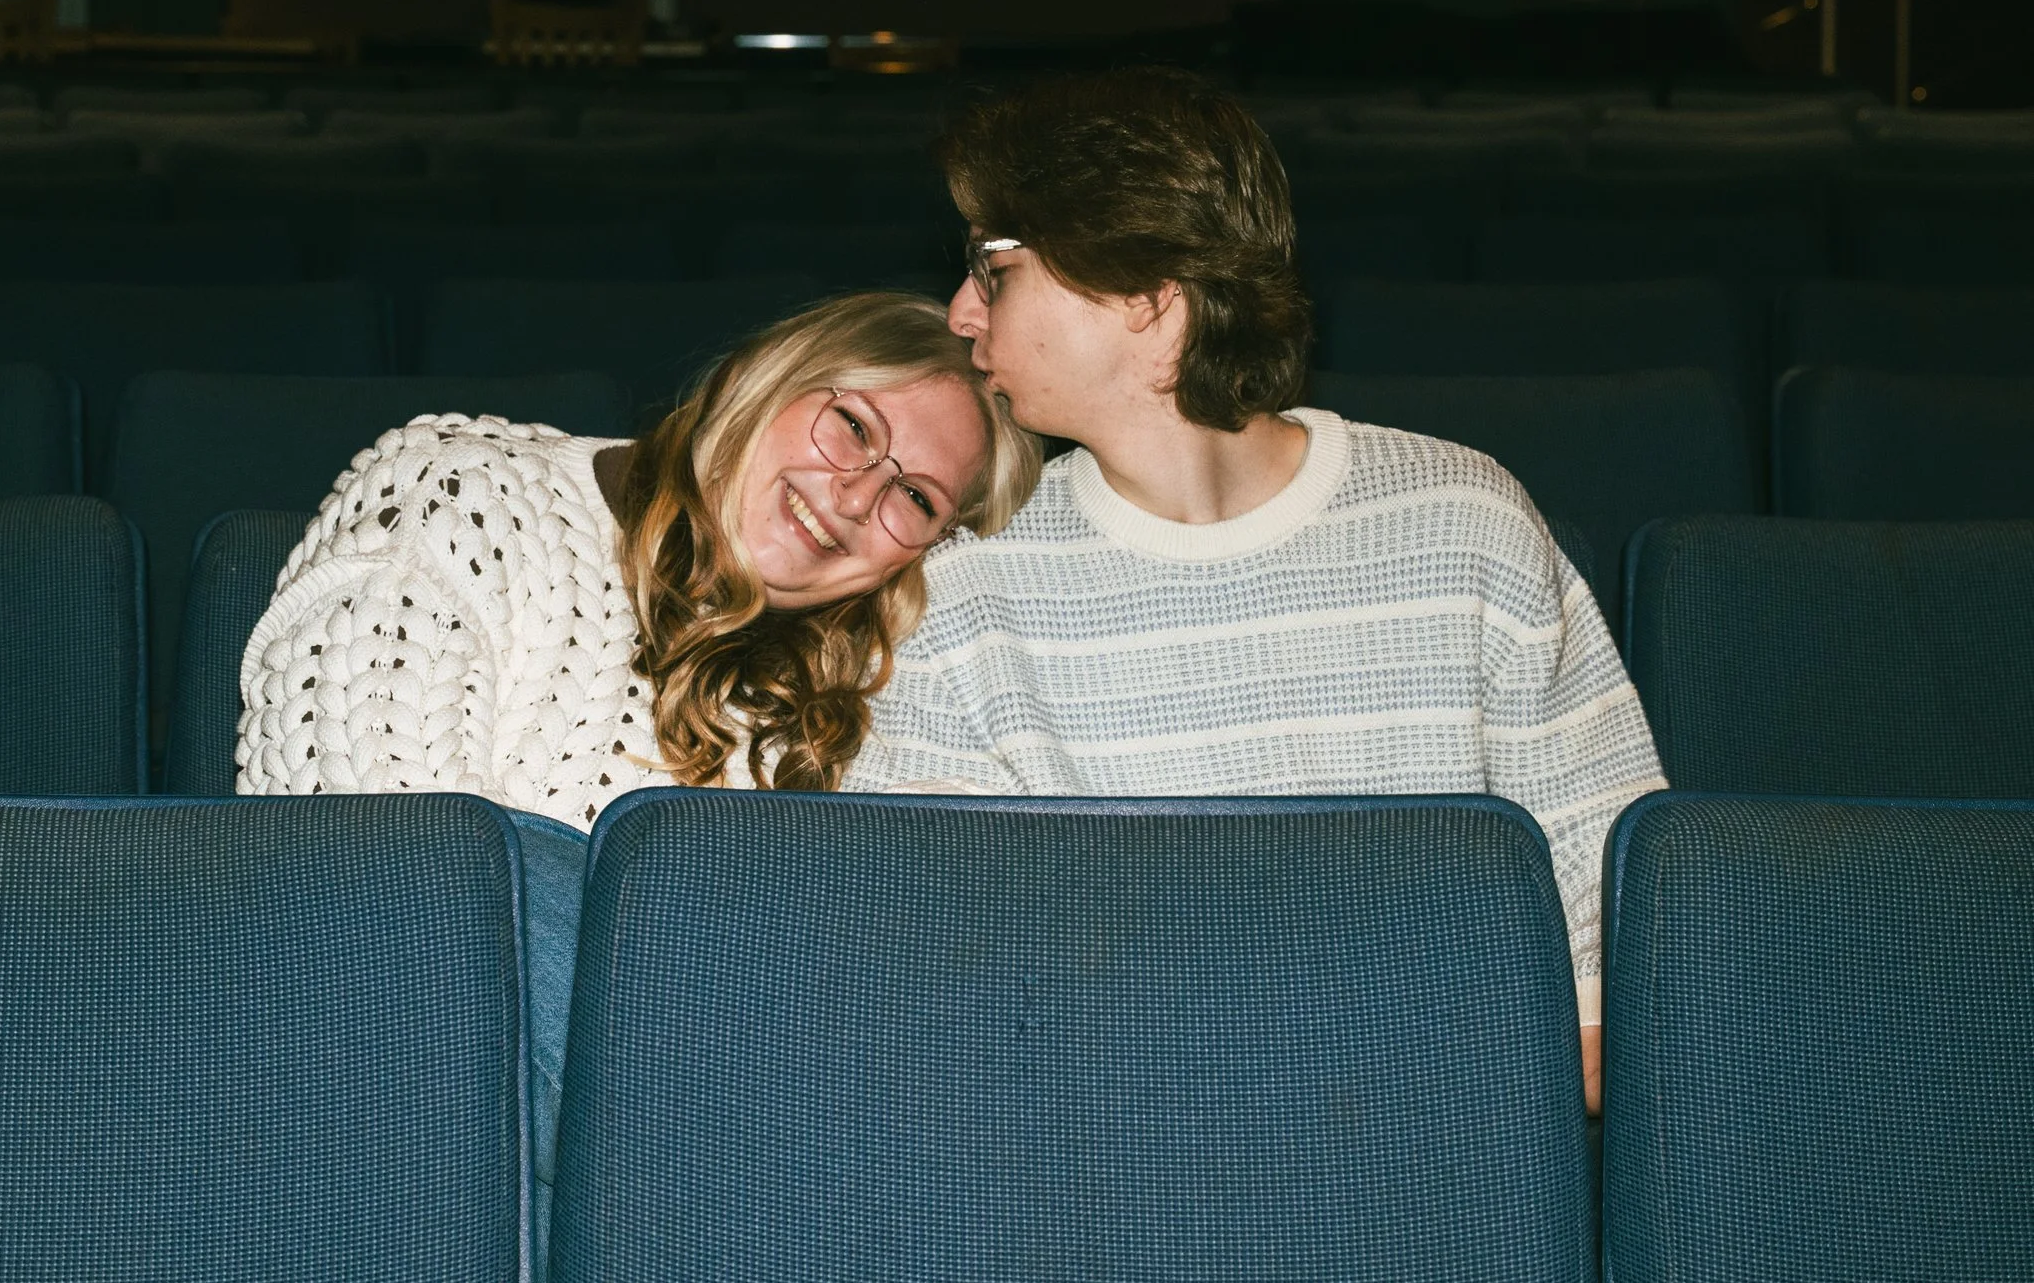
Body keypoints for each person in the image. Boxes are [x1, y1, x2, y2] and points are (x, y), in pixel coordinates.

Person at [841, 69, 1668, 1113]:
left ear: (1145, 299)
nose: (960, 311)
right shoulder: (964, 582)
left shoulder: (1464, 525)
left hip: (1442, 1161)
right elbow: (937, 988)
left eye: (993, 268)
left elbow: (1618, 959)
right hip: (1104, 1157)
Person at [237, 290, 1042, 1219]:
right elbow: (378, 884)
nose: (857, 495)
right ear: (769, 377)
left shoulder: (863, 682)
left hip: (690, 1166)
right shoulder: (465, 492)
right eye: (852, 425)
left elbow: (946, 943)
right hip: (384, 1108)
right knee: (484, 872)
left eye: (915, 498)